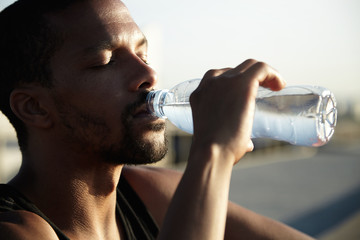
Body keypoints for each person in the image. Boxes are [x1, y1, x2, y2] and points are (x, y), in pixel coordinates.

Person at [0, 0, 314, 239]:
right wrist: (214, 151)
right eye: (105, 62)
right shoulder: (16, 229)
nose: (149, 74)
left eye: (143, 55)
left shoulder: (151, 191)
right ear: (34, 107)